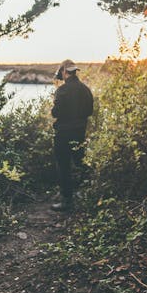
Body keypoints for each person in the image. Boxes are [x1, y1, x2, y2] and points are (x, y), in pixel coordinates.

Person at [51, 59, 94, 212]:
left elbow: (55, 113)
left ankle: (66, 200)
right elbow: (89, 111)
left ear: (63, 72)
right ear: (75, 71)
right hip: (79, 132)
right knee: (80, 161)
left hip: (63, 133)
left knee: (63, 166)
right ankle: (93, 190)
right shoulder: (85, 89)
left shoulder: (62, 91)